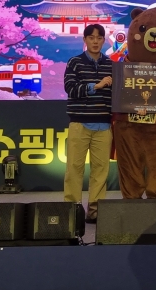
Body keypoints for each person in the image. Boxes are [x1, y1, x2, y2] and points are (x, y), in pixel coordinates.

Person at [63, 24, 113, 224]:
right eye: (91, 37)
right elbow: (70, 88)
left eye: (99, 38)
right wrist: (96, 86)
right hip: (79, 123)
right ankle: (72, 211)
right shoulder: (75, 62)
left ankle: (95, 211)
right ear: (84, 40)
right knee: (74, 169)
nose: (95, 41)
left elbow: (119, 94)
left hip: (104, 125)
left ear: (104, 40)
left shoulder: (111, 64)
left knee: (100, 171)